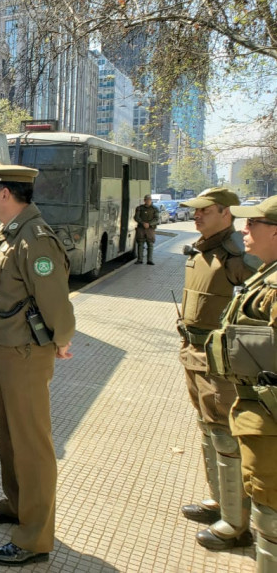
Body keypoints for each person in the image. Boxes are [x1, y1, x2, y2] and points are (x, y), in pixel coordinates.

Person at [0, 157, 76, 567]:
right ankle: (17, 505)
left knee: (32, 446)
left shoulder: (35, 238)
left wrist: (62, 340)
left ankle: (35, 539)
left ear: (4, 193)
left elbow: (56, 303)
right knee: (10, 436)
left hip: (25, 356)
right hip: (6, 350)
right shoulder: (11, 234)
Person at [176, 188, 257, 550]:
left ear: (226, 213)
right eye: (195, 212)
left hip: (219, 362)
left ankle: (235, 524)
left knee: (224, 434)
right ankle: (219, 501)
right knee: (207, 429)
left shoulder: (238, 255)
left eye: (204, 211)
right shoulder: (203, 248)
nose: (196, 216)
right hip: (194, 353)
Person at [206, 196, 277, 572]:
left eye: (254, 225)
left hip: (269, 416)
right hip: (257, 411)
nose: (245, 230)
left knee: (271, 516)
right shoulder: (265, 275)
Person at [134, 194, 160, 265]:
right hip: (141, 228)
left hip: (150, 229)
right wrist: (143, 223)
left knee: (150, 244)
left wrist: (149, 224)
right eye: (147, 200)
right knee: (140, 244)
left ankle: (149, 260)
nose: (148, 201)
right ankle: (140, 259)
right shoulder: (139, 208)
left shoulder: (155, 209)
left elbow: (157, 219)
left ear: (151, 200)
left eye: (149, 200)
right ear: (144, 200)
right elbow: (136, 217)